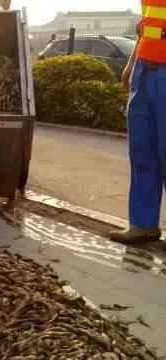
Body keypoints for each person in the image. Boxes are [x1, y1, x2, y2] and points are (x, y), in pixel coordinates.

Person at [110, 0, 166, 246]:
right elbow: (148, 27)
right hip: (145, 72)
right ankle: (143, 225)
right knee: (142, 152)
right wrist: (132, 63)